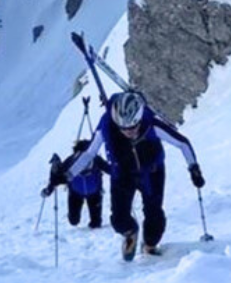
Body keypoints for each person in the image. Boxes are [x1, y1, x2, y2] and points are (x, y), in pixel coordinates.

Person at [57, 90, 205, 261]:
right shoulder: (106, 127)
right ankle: (130, 233)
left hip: (152, 172)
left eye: (133, 127)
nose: (129, 132)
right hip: (122, 174)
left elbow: (182, 143)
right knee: (118, 220)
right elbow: (89, 154)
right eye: (124, 128)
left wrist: (193, 168)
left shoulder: (151, 125)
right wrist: (67, 175)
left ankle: (149, 247)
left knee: (154, 217)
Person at [42, 139, 110, 229]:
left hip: (91, 194)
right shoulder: (73, 160)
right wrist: (49, 189)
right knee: (74, 221)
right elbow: (59, 178)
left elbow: (110, 170)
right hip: (78, 193)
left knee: (95, 223)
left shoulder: (95, 160)